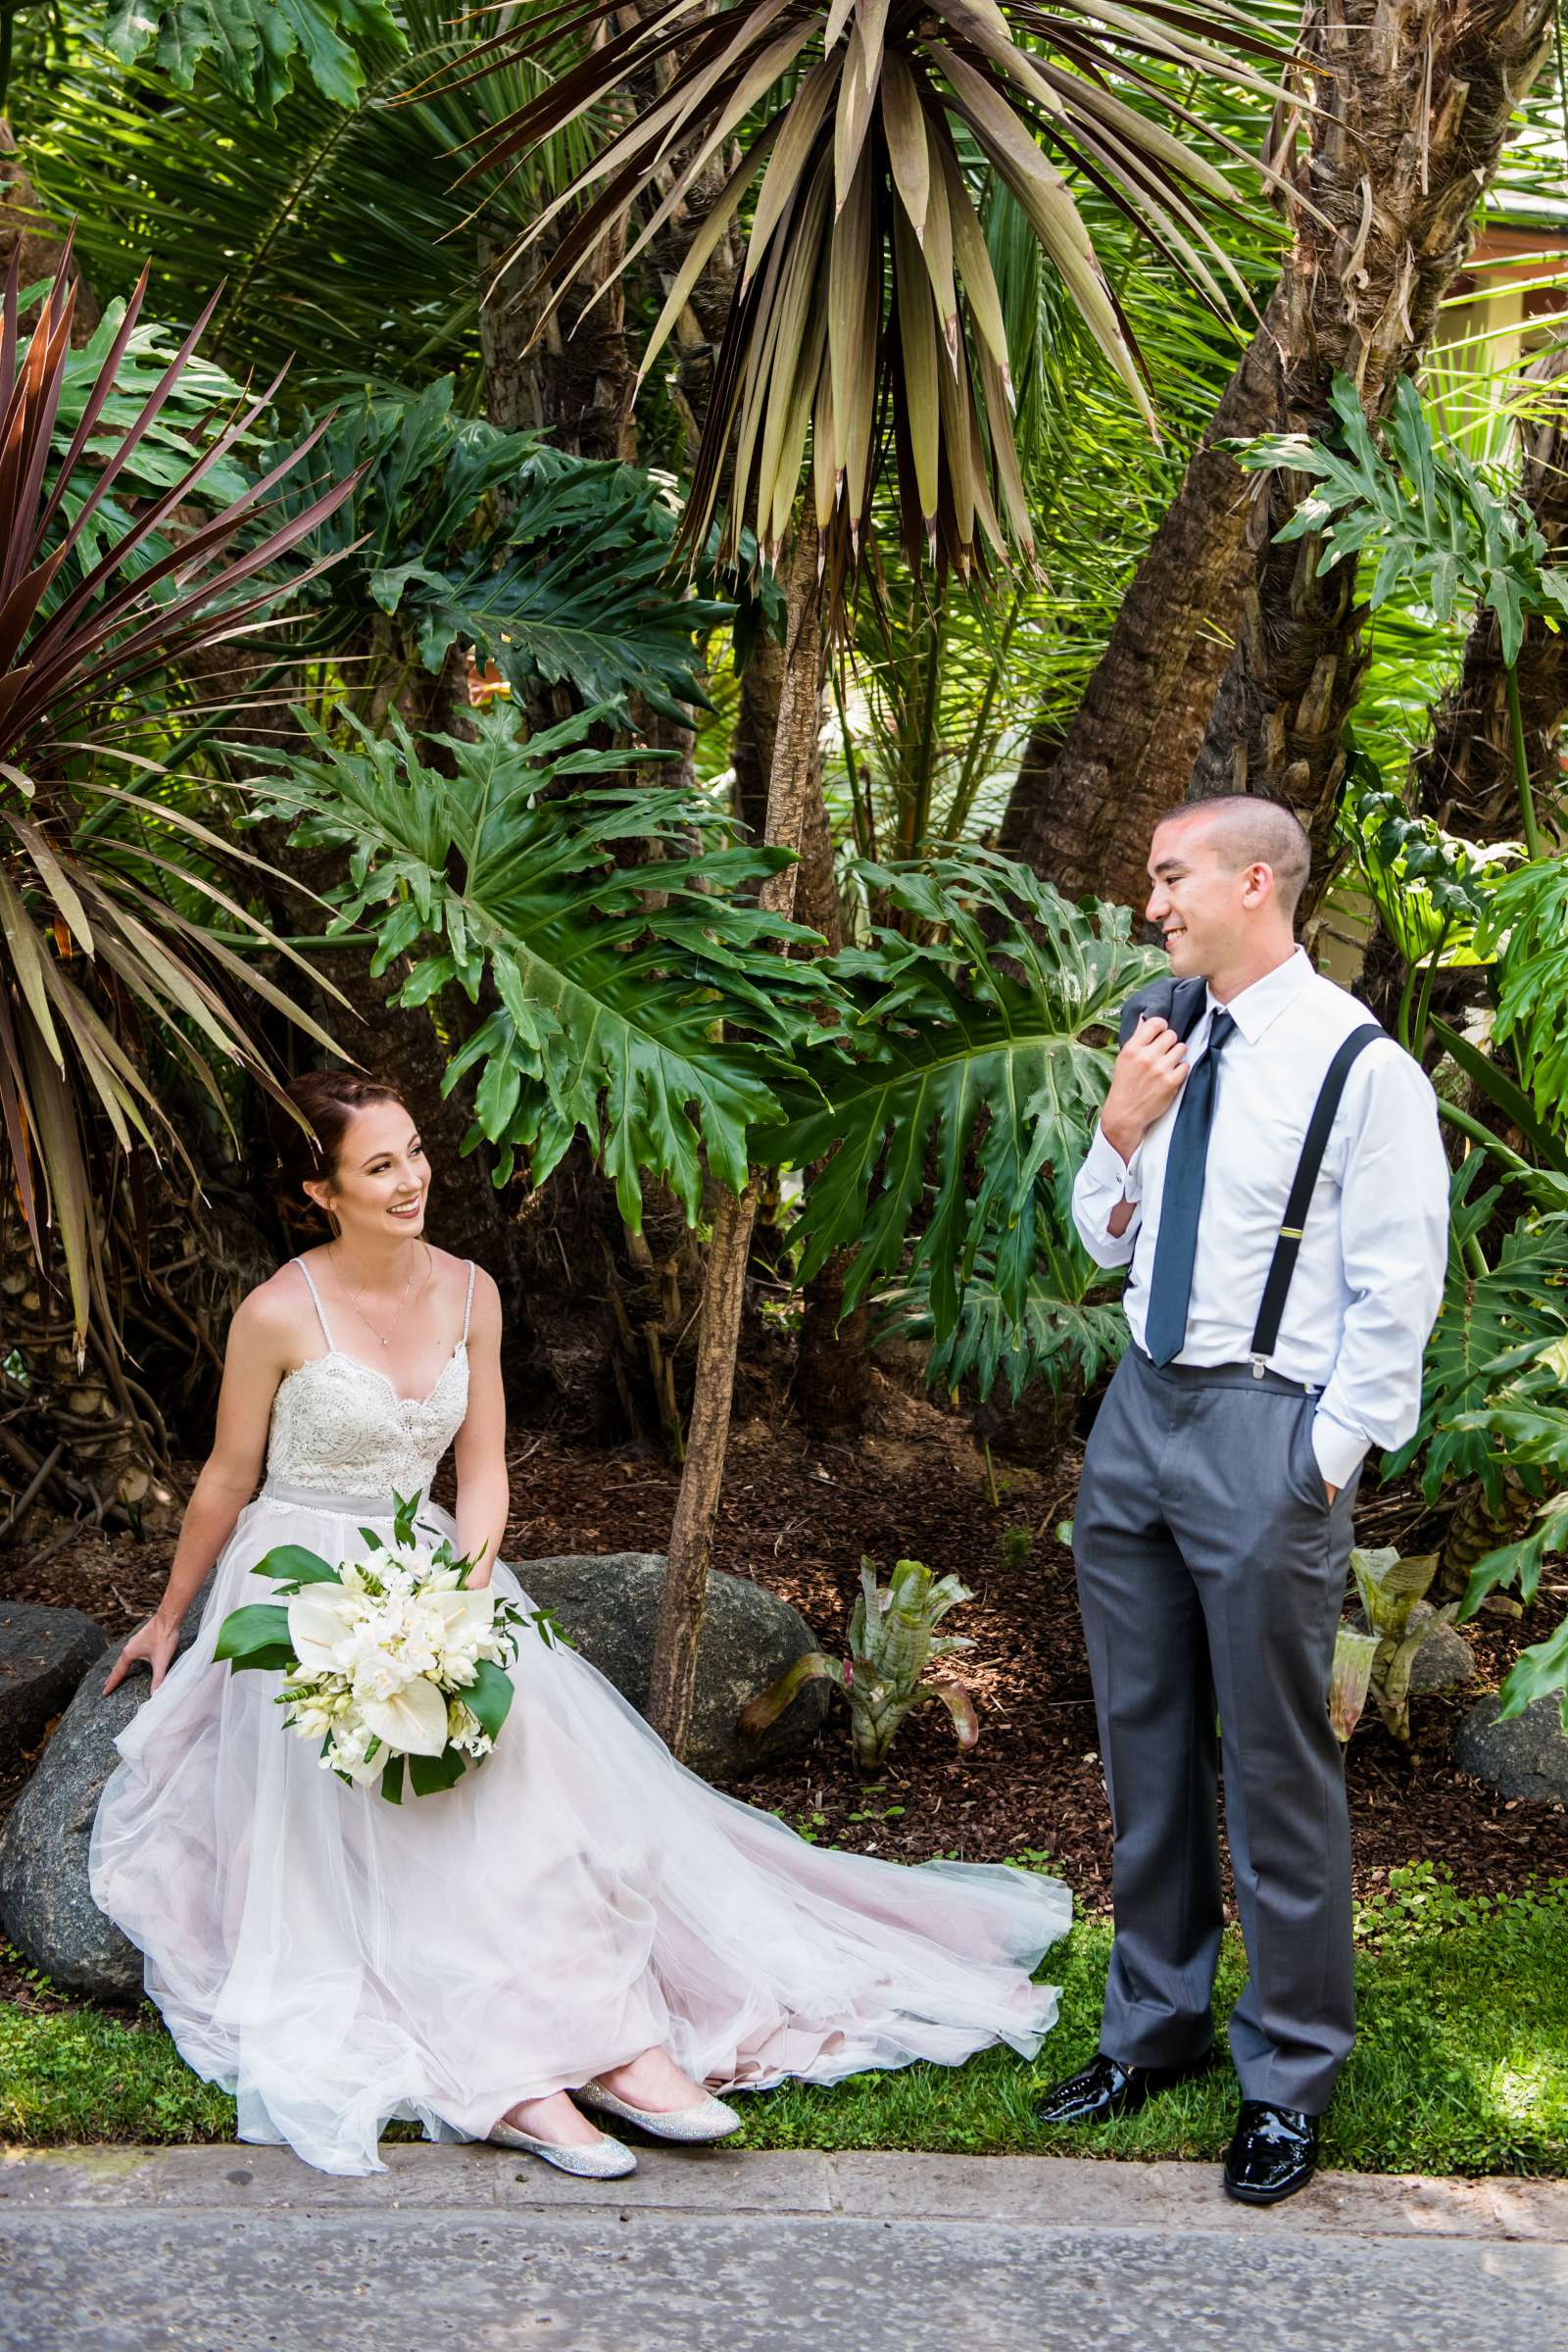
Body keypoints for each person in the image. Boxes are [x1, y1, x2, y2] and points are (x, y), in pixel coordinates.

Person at [91, 1070, 1071, 2180]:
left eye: (414, 1150)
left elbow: (484, 1473)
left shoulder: (471, 1292)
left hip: (433, 1573)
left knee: (536, 1792)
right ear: (320, 1191)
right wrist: (171, 1616)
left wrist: (457, 1594)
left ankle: (617, 2049)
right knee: (409, 1819)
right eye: (379, 1165)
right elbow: (225, 1477)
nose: (412, 1177)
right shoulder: (276, 1311)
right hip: (300, 1585)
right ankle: (514, 2082)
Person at [1033, 797, 1449, 2205]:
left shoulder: (1360, 1067)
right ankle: (1152, 2030)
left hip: (1267, 1434)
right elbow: (1098, 1234)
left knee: (1275, 1765)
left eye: (1170, 877)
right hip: (1139, 1414)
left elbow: (1401, 1289)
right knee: (1140, 1735)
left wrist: (1326, 1459)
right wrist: (1120, 1126)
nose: (1152, 904)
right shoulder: (1163, 1034)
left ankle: (1286, 2072)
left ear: (1251, 881)